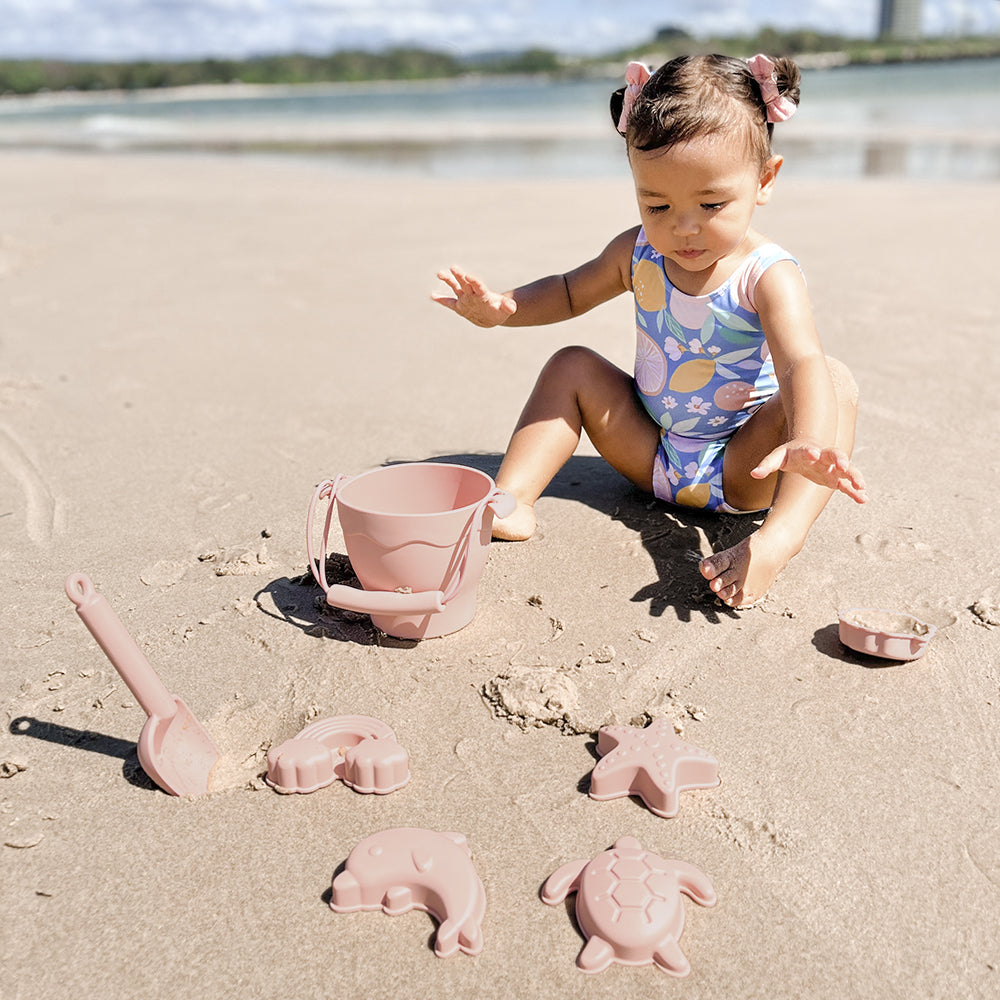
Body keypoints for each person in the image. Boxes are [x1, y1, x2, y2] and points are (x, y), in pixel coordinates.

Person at [433, 53, 865, 610]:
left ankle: (779, 538)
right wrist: (505, 307)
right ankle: (512, 499)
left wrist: (806, 438)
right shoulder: (637, 251)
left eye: (711, 204)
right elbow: (568, 291)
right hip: (651, 455)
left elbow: (799, 363)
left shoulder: (767, 276)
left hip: (746, 467)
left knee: (834, 380)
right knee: (571, 364)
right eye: (656, 204)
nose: (683, 227)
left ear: (764, 180)